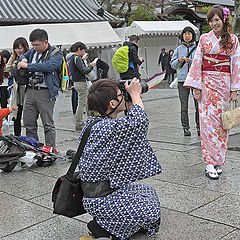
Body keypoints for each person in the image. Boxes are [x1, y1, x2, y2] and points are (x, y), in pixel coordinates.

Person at [79, 78, 161, 240]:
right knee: (152, 212)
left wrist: (130, 106)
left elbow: (130, 129)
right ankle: (101, 229)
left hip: (105, 191)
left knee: (149, 193)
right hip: (100, 199)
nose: (124, 96)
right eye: (120, 94)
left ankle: (107, 226)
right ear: (111, 103)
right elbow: (139, 123)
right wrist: (136, 94)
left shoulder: (97, 122)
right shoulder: (104, 127)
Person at [184, 5, 240, 179]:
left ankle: (218, 161)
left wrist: (234, 89)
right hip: (207, 84)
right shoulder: (204, 39)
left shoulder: (232, 39)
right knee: (207, 124)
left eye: (216, 20)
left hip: (223, 85)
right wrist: (196, 87)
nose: (214, 23)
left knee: (222, 125)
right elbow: (197, 62)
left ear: (223, 20)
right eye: (211, 20)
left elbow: (236, 63)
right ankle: (209, 162)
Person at [17, 29, 63, 148]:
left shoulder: (56, 53)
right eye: (33, 45)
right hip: (30, 90)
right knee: (29, 123)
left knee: (48, 124)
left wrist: (28, 66)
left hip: (45, 92)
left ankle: (49, 150)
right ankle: (34, 148)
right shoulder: (32, 51)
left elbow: (48, 66)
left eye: (37, 45)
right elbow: (22, 55)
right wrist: (23, 59)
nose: (35, 47)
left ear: (46, 42)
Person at [171, 26, 200, 137]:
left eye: (189, 33)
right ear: (182, 36)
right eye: (185, 33)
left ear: (192, 35)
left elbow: (200, 63)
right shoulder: (178, 49)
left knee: (198, 105)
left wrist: (190, 61)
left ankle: (199, 126)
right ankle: (186, 128)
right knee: (184, 106)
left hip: (195, 80)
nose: (187, 35)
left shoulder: (197, 48)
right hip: (182, 80)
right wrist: (179, 60)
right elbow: (172, 65)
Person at [69, 42, 96, 131]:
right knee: (81, 103)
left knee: (84, 102)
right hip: (81, 83)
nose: (84, 52)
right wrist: (91, 66)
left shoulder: (72, 58)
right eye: (83, 50)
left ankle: (87, 119)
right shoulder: (77, 58)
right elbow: (84, 70)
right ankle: (78, 122)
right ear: (79, 49)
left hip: (76, 82)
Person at [5, 37, 29, 135]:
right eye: (16, 48)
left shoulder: (29, 57)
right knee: (16, 115)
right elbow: (6, 69)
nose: (17, 50)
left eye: (20, 48)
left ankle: (30, 138)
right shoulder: (15, 58)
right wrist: (13, 57)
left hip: (27, 90)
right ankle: (17, 137)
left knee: (29, 116)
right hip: (17, 91)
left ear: (25, 47)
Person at [0, 50, 11, 115]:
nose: (3, 59)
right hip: (2, 85)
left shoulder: (8, 66)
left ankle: (6, 117)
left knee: (5, 102)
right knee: (2, 102)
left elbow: (10, 75)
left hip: (6, 86)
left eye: (5, 57)